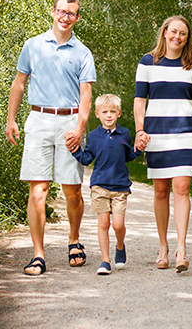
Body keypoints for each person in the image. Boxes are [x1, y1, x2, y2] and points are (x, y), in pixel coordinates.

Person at [5, 0, 96, 275]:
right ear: (53, 11)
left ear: (77, 18)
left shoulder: (83, 52)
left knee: (72, 192)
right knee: (38, 191)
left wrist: (79, 130)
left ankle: (74, 240)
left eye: (71, 13)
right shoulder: (32, 45)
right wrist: (11, 119)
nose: (65, 17)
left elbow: (86, 96)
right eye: (61, 11)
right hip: (38, 119)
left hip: (69, 121)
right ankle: (38, 255)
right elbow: (19, 84)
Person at [134, 15, 192, 273]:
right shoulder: (147, 62)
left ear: (187, 37)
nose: (177, 37)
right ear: (164, 33)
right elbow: (140, 101)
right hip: (156, 133)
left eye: (183, 33)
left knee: (181, 188)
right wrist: (139, 131)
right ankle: (163, 247)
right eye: (173, 32)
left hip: (185, 132)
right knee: (160, 191)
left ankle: (182, 248)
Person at [65, 94, 146, 275]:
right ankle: (105, 260)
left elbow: (128, 156)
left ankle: (119, 245)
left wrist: (139, 149)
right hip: (99, 186)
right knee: (103, 224)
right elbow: (86, 159)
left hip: (119, 187)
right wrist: (74, 150)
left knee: (117, 225)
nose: (108, 115)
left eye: (112, 112)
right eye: (104, 112)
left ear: (118, 113)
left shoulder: (124, 133)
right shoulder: (94, 136)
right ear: (97, 114)